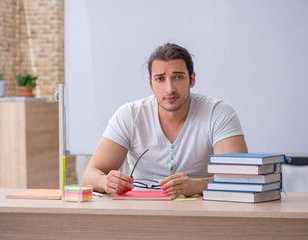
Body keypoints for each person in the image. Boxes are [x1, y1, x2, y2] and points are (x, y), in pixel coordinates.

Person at [82, 43, 248, 196]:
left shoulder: (218, 113)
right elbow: (90, 175)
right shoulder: (130, 115)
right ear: (150, 83)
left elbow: (239, 177)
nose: (170, 89)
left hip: (202, 212)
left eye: (178, 77)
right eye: (160, 79)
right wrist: (105, 182)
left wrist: (197, 186)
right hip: (142, 211)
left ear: (192, 79)